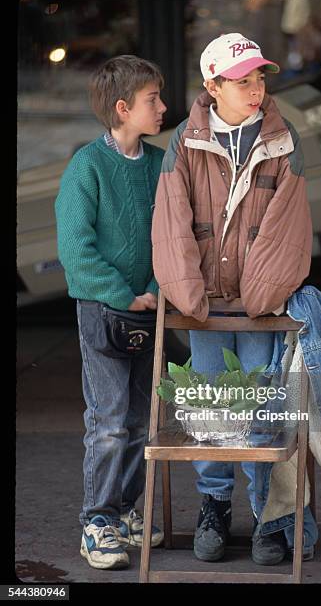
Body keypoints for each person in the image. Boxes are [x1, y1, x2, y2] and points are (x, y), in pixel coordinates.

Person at [152, 33, 317, 565]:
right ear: (212, 85)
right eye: (242, 81)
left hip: (260, 305)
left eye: (260, 78)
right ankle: (214, 509)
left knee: (264, 409)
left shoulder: (284, 137)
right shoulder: (185, 138)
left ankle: (270, 516)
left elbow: (286, 228)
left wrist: (258, 300)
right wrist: (186, 296)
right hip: (203, 305)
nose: (255, 89)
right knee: (211, 412)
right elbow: (171, 220)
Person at [55, 55, 167, 570]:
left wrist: (152, 289)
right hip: (103, 311)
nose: (163, 107)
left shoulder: (158, 163)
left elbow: (171, 236)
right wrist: (125, 295)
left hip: (151, 308)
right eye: (153, 100)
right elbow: (75, 248)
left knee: (143, 421)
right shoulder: (87, 165)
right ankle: (97, 523)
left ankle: (125, 511)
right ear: (123, 109)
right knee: (109, 420)